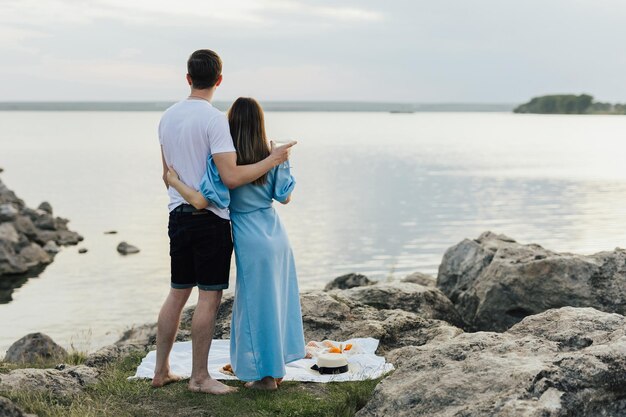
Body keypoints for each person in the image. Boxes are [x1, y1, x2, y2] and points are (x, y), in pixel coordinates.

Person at [154, 49, 295, 395]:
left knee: (176, 293)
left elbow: (166, 174)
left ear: (187, 78)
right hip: (209, 221)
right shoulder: (215, 120)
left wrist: (176, 185)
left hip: (178, 215)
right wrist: (275, 157)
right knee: (208, 298)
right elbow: (230, 176)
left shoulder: (166, 118)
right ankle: (200, 377)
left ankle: (161, 371)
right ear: (219, 80)